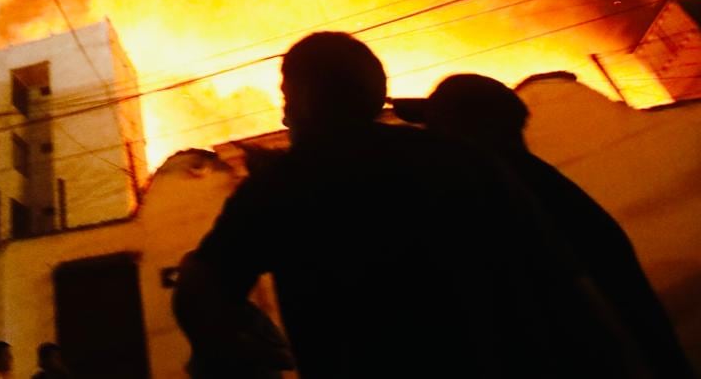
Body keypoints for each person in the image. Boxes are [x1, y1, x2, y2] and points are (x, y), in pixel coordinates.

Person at [174, 31, 634, 378]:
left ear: (309, 99)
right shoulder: (463, 160)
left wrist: (231, 346)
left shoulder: (284, 185)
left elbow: (202, 284)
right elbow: (565, 285)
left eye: (287, 94)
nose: (283, 111)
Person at [394, 73, 695, 378]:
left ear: (465, 132)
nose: (431, 140)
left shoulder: (504, 196)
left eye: (437, 128)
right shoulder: (537, 184)